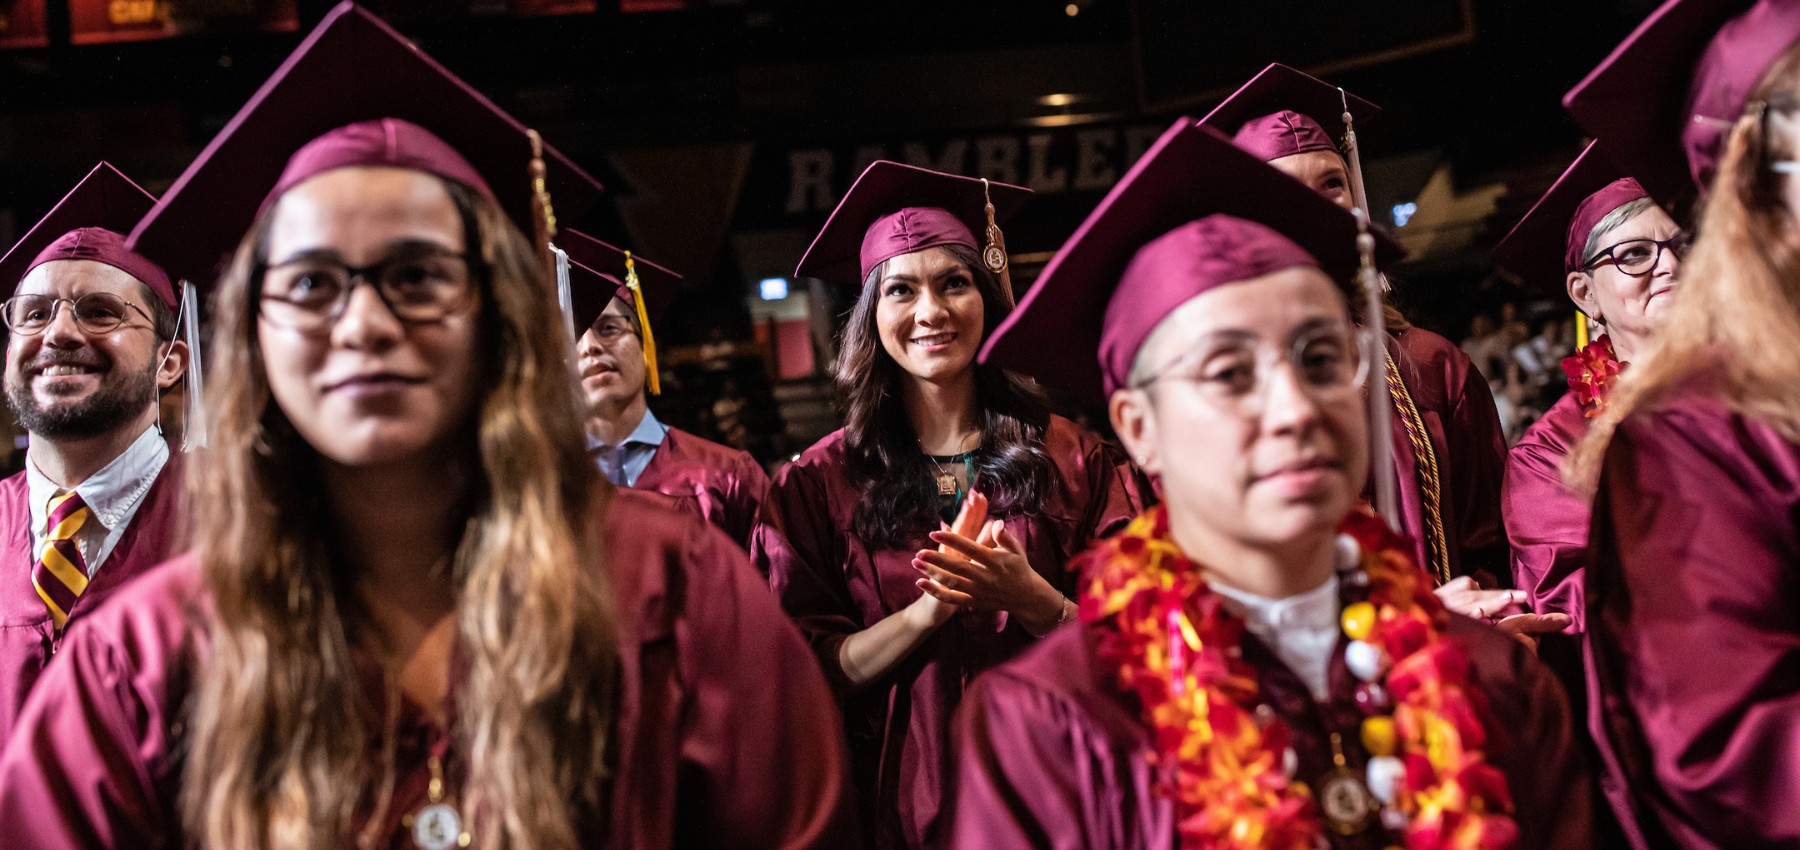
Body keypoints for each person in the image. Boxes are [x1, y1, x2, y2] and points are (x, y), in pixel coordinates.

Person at [0, 5, 856, 849]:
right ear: (254, 335)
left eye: (416, 277)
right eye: (310, 284)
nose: (365, 322)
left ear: (500, 315)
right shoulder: (143, 661)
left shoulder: (676, 591)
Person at [950, 116, 1594, 850]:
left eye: (1320, 360)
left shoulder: (1495, 680)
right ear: (1138, 426)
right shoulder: (1052, 729)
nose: (1294, 409)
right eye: (1228, 373)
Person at [755, 160, 1147, 850]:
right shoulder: (816, 483)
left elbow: (1140, 647)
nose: (930, 312)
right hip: (896, 814)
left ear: (988, 300)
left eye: (955, 283)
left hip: (1063, 803)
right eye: (901, 290)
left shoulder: (1075, 461)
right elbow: (802, 672)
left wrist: (1031, 598)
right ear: (873, 319)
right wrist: (927, 613)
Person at [1565, 2, 1800, 847]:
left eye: (1664, 248)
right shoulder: (1688, 435)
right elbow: (1725, 747)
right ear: (1750, 188)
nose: (1656, 269)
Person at [1200, 64, 1516, 622]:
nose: (1324, 208)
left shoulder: (1432, 365)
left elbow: (1491, 547)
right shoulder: (1211, 390)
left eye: (1333, 183)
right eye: (1288, 193)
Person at [0, 162, 189, 739]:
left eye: (100, 312)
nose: (57, 333)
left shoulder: (243, 526)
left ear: (169, 362)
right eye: (34, 314)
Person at [1491, 142, 1681, 637]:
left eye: (1685, 246)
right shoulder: (1552, 451)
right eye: (1635, 254)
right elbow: (1574, 603)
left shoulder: (1767, 379)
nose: (1671, 266)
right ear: (1584, 293)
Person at [561, 229, 769, 548]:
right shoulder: (541, 486)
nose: (589, 347)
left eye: (609, 328)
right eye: (573, 336)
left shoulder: (729, 477)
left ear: (647, 348)